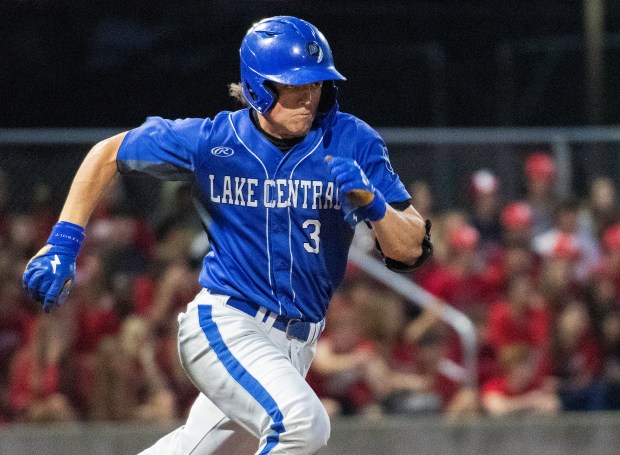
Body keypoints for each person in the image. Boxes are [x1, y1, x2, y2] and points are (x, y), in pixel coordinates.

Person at [22, 16, 431, 455]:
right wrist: (62, 241)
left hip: (296, 343)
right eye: (293, 87)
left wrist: (374, 205)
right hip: (227, 323)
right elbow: (107, 153)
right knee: (303, 425)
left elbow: (412, 248)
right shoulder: (212, 141)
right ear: (257, 87)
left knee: (192, 450)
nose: (308, 97)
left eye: (316, 84)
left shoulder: (351, 139)